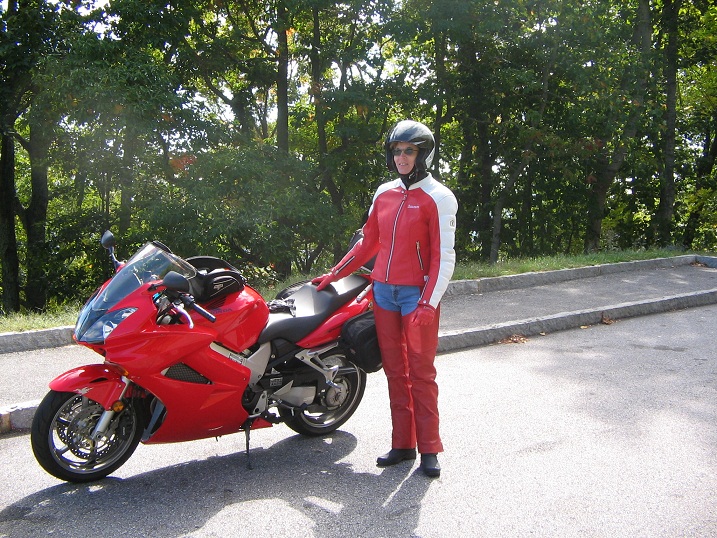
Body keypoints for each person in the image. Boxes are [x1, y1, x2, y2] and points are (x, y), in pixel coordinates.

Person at [313, 119, 458, 478]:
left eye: (409, 151)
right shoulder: (384, 193)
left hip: (416, 295)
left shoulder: (439, 197)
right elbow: (368, 242)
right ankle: (403, 444)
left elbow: (443, 257)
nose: (401, 157)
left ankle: (430, 448)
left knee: (421, 372)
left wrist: (428, 302)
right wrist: (335, 274)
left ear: (423, 154)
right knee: (394, 371)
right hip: (383, 292)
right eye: (396, 151)